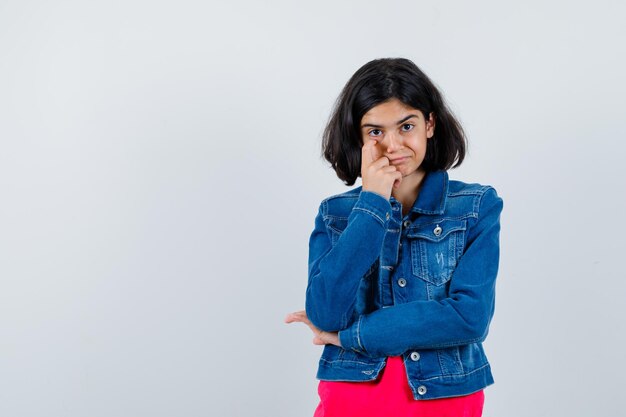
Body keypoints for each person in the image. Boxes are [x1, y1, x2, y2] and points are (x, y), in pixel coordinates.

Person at [285, 57, 504, 417]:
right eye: (375, 132)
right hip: (353, 396)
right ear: (358, 136)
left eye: (406, 126)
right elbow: (325, 313)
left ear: (429, 123)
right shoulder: (335, 214)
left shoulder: (477, 206)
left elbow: (470, 317)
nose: (393, 145)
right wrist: (372, 203)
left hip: (443, 397)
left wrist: (355, 336)